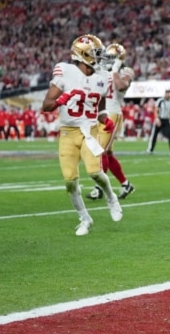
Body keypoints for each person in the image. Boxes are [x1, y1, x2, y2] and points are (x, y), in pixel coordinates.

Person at [41, 34, 123, 236]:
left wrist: (104, 118)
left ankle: (111, 196)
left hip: (89, 130)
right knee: (70, 181)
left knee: (95, 172)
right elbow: (46, 106)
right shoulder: (65, 72)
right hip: (68, 133)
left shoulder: (102, 76)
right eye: (96, 53)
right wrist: (62, 99)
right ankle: (85, 218)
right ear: (83, 54)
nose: (100, 57)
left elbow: (100, 104)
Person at [87, 43, 137, 201]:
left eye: (112, 57)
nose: (108, 60)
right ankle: (126, 184)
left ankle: (99, 188)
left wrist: (115, 69)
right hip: (101, 114)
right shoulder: (102, 71)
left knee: (100, 151)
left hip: (113, 114)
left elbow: (121, 86)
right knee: (107, 153)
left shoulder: (125, 71)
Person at [147, 88, 170, 155]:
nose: (168, 94)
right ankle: (150, 149)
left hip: (166, 120)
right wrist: (157, 119)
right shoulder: (160, 101)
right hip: (160, 119)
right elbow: (156, 110)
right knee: (154, 135)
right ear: (164, 93)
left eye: (169, 93)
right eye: (167, 92)